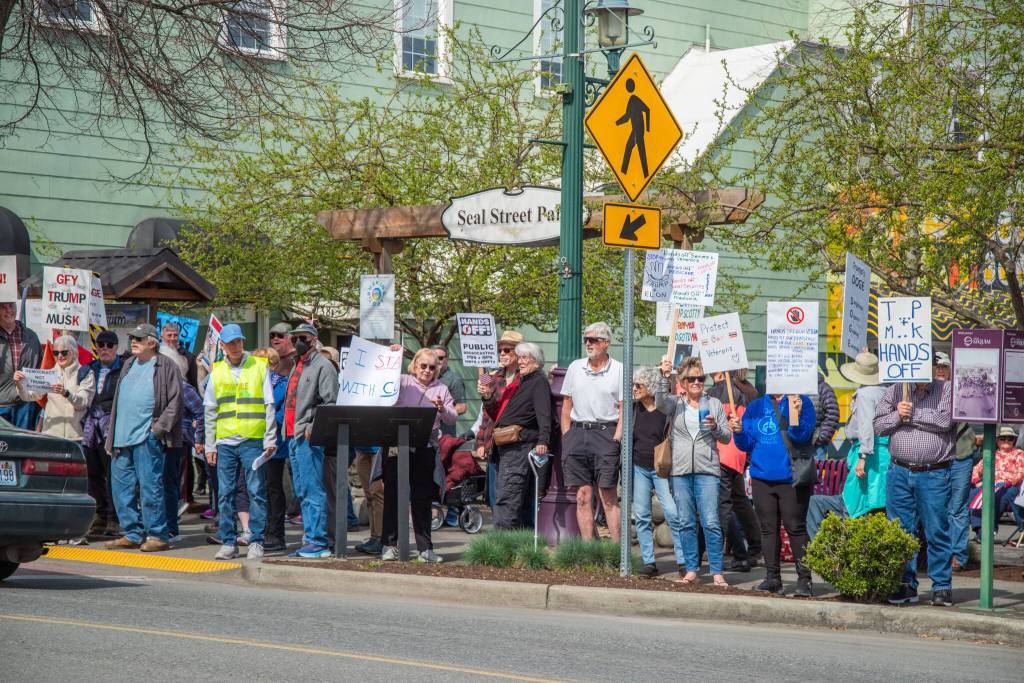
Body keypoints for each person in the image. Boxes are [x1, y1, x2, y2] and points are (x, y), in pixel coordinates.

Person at [873, 371, 955, 607]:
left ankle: (941, 586)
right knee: (901, 532)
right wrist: (899, 415)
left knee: (936, 530)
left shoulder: (946, 389)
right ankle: (906, 585)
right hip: (899, 471)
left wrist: (913, 414)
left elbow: (945, 421)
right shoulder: (895, 390)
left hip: (934, 473)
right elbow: (878, 425)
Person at [105, 323, 183, 552]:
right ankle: (132, 532)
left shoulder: (166, 366)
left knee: (151, 488)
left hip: (146, 439)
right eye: (132, 338)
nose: (133, 342)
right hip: (121, 438)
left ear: (152, 342)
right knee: (121, 490)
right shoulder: (129, 364)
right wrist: (112, 436)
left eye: (139, 339)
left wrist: (157, 430)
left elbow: (175, 403)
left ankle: (158, 534)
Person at [731, 389, 816, 597]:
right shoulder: (756, 406)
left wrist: (795, 417)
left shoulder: (801, 401)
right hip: (761, 477)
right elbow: (746, 444)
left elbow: (803, 436)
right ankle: (772, 578)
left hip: (791, 478)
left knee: (795, 527)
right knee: (768, 529)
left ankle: (804, 579)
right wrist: (739, 430)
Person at [655, 357, 731, 586]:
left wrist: (716, 427)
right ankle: (691, 569)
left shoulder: (714, 404)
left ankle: (717, 571)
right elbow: (659, 402)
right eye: (692, 379)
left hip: (707, 470)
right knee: (686, 521)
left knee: (710, 521)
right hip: (680, 470)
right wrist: (663, 377)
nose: (697, 382)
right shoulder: (675, 404)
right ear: (683, 382)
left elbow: (727, 437)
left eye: (700, 378)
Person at [203, 324, 276, 561]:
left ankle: (256, 541)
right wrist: (210, 444)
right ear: (222, 346)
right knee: (225, 493)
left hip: (252, 439)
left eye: (239, 342)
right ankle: (228, 541)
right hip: (225, 441)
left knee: (256, 491)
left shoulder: (259, 366)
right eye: (231, 343)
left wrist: (270, 438)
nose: (236, 346)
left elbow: (269, 405)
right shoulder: (216, 371)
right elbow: (210, 410)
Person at [382, 346, 456, 562]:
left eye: (432, 367)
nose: (427, 370)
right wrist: (392, 354)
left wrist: (442, 409)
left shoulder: (441, 388)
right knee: (393, 497)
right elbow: (382, 381)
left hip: (424, 446)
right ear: (414, 365)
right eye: (423, 365)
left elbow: (452, 418)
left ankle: (425, 549)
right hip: (396, 444)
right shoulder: (403, 381)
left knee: (422, 499)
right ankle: (389, 545)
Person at [806, 352, 890, 538]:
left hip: (867, 453)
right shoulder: (885, 391)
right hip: (879, 454)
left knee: (856, 504)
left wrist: (862, 456)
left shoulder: (864, 394)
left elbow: (867, 426)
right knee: (874, 504)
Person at [560, 322, 623, 541]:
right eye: (586, 339)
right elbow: (566, 404)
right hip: (577, 433)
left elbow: (625, 407)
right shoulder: (575, 367)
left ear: (606, 343)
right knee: (582, 496)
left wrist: (617, 437)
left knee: (608, 496)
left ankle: (618, 552)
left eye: (594, 339)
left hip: (606, 432)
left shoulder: (619, 369)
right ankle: (589, 552)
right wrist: (567, 435)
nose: (588, 344)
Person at [283, 323, 338, 558]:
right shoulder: (298, 364)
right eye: (294, 338)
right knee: (303, 490)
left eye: (302, 337)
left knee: (313, 489)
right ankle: (310, 537)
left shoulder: (323, 366)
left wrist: (312, 426)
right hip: (292, 435)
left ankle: (319, 541)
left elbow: (330, 403)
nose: (298, 342)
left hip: (307, 437)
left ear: (314, 340)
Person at [487, 342, 550, 529]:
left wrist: (543, 440)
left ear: (536, 362)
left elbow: (544, 414)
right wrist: (487, 397)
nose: (520, 362)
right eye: (520, 357)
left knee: (509, 495)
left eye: (525, 358)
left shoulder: (538, 382)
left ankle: (502, 544)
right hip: (508, 446)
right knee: (509, 495)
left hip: (520, 446)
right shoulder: (523, 381)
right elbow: (499, 413)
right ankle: (513, 542)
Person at [630, 366, 685, 577]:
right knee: (642, 515)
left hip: (661, 468)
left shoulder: (664, 411)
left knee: (672, 512)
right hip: (639, 466)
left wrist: (666, 375)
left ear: (650, 387)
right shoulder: (634, 409)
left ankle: (682, 560)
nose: (634, 388)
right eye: (634, 384)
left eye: (639, 385)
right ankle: (649, 562)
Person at [707, 370, 761, 571]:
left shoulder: (714, 394)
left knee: (723, 505)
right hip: (737, 453)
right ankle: (754, 546)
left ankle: (736, 553)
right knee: (738, 500)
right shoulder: (747, 390)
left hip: (721, 453)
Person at [80, 329, 124, 537]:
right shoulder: (89, 368)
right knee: (93, 473)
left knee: (113, 474)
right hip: (90, 427)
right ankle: (100, 515)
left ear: (116, 347)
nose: (105, 349)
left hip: (112, 426)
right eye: (101, 345)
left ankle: (115, 518)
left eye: (109, 345)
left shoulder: (124, 368)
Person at [14, 333, 94, 440]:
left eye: (64, 352)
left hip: (76, 437)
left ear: (74, 352)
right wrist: (20, 385)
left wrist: (66, 393)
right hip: (51, 435)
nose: (60, 356)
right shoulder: (49, 374)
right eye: (56, 353)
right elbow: (30, 396)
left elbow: (83, 403)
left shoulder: (86, 373)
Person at [477, 330, 524, 508]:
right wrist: (481, 442)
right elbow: (486, 412)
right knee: (494, 495)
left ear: (518, 352)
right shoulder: (495, 375)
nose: (502, 354)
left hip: (515, 442)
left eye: (507, 350)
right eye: (500, 350)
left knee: (510, 495)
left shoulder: (526, 377)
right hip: (494, 443)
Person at [253, 346, 289, 554]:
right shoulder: (252, 384)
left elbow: (282, 415)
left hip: (275, 445)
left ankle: (276, 534)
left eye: (263, 363)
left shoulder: (282, 385)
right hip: (253, 441)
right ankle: (259, 529)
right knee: (257, 488)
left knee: (273, 488)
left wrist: (265, 418)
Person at [968, 426, 1024, 538]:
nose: (1006, 441)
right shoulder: (992, 455)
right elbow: (976, 470)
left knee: (1002, 495)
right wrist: (978, 481)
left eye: (1010, 438)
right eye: (1003, 438)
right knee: (974, 495)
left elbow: (1021, 472)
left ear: (1014, 440)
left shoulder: (1019, 454)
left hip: (1012, 485)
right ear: (997, 440)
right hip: (992, 485)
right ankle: (980, 529)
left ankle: (991, 528)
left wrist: (1008, 482)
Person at [0, 300, 42, 429]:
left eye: (11, 306)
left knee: (23, 446)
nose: (9, 310)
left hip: (25, 404)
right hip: (1, 404)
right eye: (3, 307)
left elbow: (40, 367)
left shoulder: (31, 336)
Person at [432, 344, 467, 438]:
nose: (437, 360)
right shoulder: (425, 377)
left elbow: (462, 407)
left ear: (447, 359)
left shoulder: (454, 380)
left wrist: (442, 412)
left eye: (440, 357)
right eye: (434, 357)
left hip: (444, 431)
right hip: (428, 429)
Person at [159, 321, 198, 387]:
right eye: (169, 335)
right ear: (162, 337)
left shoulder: (189, 357)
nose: (173, 338)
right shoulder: (157, 354)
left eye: (175, 335)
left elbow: (194, 383)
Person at [810, 373, 840, 460]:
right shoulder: (795, 388)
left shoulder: (823, 388)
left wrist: (821, 437)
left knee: (816, 472)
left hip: (816, 445)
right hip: (797, 444)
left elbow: (833, 414)